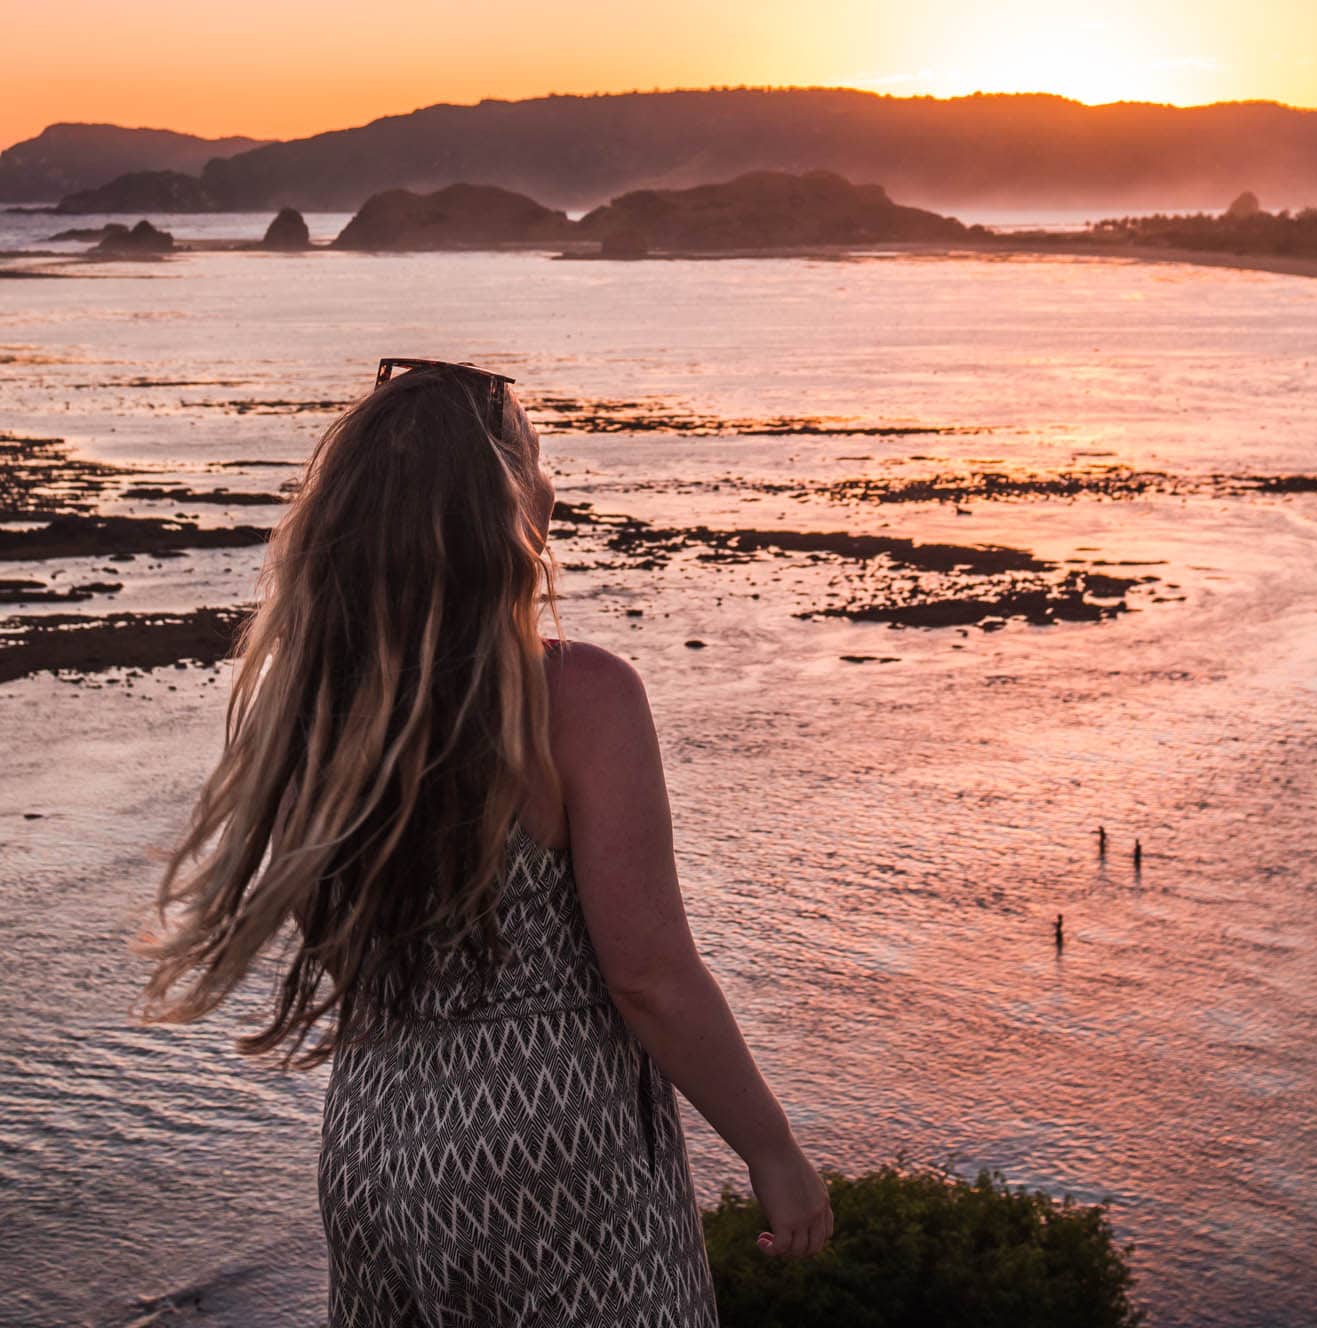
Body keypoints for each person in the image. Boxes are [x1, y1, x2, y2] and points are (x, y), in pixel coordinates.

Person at [138, 357, 832, 1325]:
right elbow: (650, 975)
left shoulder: (311, 716)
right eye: (539, 460)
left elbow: (346, 946)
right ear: (501, 504)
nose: (554, 482)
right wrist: (772, 1149)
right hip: (553, 1150)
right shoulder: (577, 697)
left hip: (375, 1144)